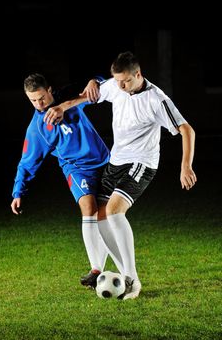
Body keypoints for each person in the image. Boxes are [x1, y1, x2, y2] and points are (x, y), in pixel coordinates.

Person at [44, 51, 197, 300]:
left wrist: (186, 166)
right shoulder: (116, 86)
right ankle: (126, 274)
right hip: (115, 162)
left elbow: (186, 130)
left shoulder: (157, 100)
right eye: (117, 81)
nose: (120, 86)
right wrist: (62, 106)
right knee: (99, 216)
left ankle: (133, 280)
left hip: (141, 164)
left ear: (138, 74)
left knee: (114, 211)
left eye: (125, 81)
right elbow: (87, 96)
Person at [11, 73, 123, 289]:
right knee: (88, 208)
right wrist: (18, 192)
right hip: (76, 169)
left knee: (105, 216)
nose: (38, 104)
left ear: (50, 90)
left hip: (104, 162)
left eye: (41, 98)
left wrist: (94, 81)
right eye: (32, 100)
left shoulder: (70, 96)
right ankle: (96, 270)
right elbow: (27, 162)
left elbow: (101, 83)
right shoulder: (38, 128)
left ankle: (122, 270)